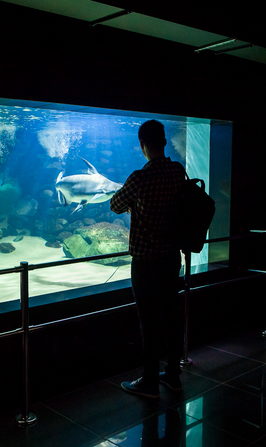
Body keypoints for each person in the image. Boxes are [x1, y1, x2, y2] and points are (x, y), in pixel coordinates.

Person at [110, 119, 186, 399]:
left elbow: (115, 205)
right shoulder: (177, 171)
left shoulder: (139, 178)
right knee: (172, 316)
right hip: (171, 258)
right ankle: (173, 376)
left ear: (142, 145)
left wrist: (135, 205)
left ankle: (150, 382)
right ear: (164, 142)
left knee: (149, 321)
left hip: (145, 262)